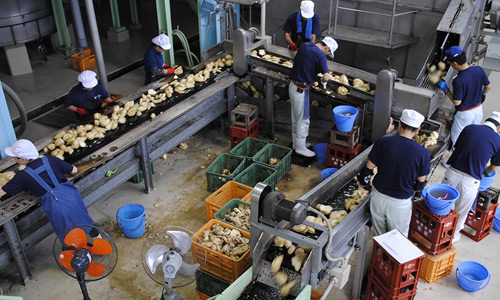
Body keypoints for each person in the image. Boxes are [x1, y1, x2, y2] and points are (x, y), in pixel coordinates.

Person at [0, 139, 99, 241]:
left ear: (23, 159)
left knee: (67, 232)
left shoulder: (22, 176)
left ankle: (75, 251)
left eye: (15, 158)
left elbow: (1, 192)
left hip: (56, 207)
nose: (14, 160)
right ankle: (99, 239)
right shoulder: (50, 159)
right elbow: (74, 170)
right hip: (72, 198)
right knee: (84, 220)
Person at [358, 109, 430, 237]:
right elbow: (421, 181)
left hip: (379, 198)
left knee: (380, 236)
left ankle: (379, 254)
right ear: (418, 130)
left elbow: (368, 170)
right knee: (397, 239)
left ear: (400, 124)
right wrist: (413, 190)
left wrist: (365, 185)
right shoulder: (423, 153)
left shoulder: (383, 142)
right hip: (400, 203)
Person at [440, 111, 500, 243]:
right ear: (499, 128)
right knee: (461, 212)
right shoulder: (498, 140)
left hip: (451, 174)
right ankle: (452, 236)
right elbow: (492, 169)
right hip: (470, 182)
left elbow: (459, 147)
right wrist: (485, 171)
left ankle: (437, 230)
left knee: (442, 206)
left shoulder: (469, 128)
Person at [437, 46, 492, 152]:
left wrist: (446, 90)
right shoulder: (478, 69)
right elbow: (488, 86)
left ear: (455, 64)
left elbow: (457, 102)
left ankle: (454, 162)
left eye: (450, 63)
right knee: (472, 136)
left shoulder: (459, 80)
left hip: (465, 114)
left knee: (458, 139)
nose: (450, 65)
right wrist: (482, 95)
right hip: (478, 110)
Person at [289, 37, 337, 157]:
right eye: (329, 52)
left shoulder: (305, 46)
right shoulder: (320, 55)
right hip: (301, 90)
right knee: (303, 119)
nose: (327, 54)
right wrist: (323, 80)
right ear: (327, 48)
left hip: (293, 86)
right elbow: (326, 76)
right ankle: (300, 148)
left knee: (296, 117)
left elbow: (297, 63)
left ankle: (297, 144)